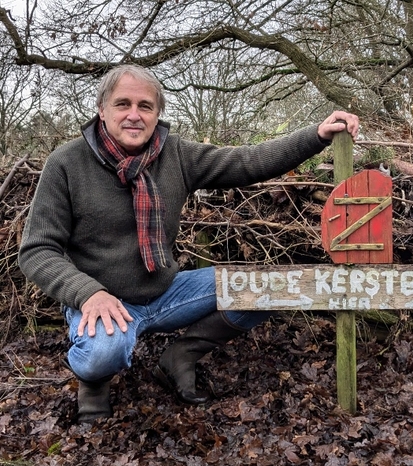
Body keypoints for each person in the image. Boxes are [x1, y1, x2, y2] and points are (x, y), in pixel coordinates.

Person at [18, 64, 359, 424]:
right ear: (102, 110)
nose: (134, 115)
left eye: (145, 106)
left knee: (269, 286)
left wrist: (317, 135)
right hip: (103, 302)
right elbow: (38, 249)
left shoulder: (175, 155)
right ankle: (95, 383)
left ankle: (181, 355)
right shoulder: (67, 163)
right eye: (123, 104)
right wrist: (88, 293)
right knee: (105, 351)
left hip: (167, 292)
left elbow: (247, 161)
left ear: (158, 113)